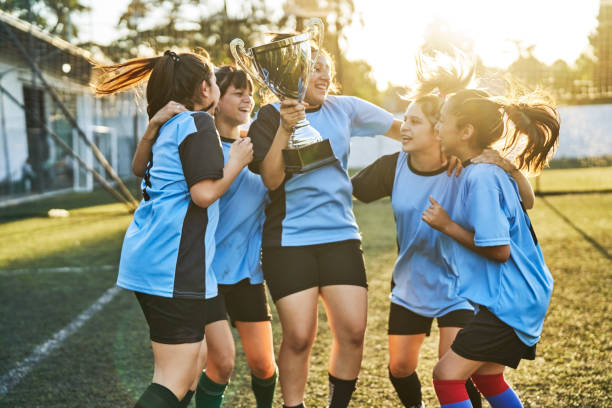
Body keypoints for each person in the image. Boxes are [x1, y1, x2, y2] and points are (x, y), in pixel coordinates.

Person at [351, 84, 535, 407]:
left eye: (414, 122)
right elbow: (345, 189)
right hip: (411, 283)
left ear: (439, 131)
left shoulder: (465, 167)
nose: (403, 128)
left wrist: (505, 163)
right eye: (404, 119)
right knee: (399, 368)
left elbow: (525, 201)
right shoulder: (391, 167)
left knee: (454, 374)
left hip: (459, 286)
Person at [247, 36, 403, 408]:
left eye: (327, 70)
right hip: (289, 240)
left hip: (340, 237)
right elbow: (271, 180)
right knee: (299, 336)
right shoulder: (268, 116)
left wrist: (453, 148)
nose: (324, 76)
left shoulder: (344, 109)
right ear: (291, 70)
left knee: (352, 331)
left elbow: (403, 128)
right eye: (315, 67)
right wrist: (286, 128)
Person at [93, 50, 253, 408]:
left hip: (151, 257)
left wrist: (151, 125)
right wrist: (238, 161)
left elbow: (138, 169)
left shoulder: (171, 124)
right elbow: (203, 194)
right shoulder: (197, 123)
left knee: (194, 364)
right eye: (214, 80)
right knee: (173, 378)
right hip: (172, 263)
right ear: (204, 88)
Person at [132, 65, 277, 408]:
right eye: (236, 91)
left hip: (242, 273)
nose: (246, 98)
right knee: (204, 366)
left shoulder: (255, 149)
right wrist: (236, 163)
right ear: (212, 94)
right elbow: (203, 193)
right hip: (200, 272)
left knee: (257, 364)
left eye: (250, 93)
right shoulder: (198, 137)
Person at [422, 87, 559, 407]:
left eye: (442, 121)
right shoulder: (489, 168)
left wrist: (447, 225)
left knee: (446, 376)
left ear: (467, 131)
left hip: (511, 300)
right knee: (487, 377)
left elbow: (499, 251)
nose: (437, 127)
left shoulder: (481, 176)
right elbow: (529, 201)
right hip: (520, 295)